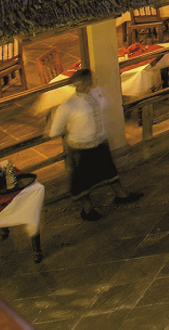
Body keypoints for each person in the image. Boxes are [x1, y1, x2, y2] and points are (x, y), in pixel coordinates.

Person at [46, 69, 141, 221]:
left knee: (109, 170)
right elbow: (55, 131)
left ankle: (121, 194)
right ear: (82, 84)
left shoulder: (95, 94)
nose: (94, 80)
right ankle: (87, 208)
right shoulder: (69, 105)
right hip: (81, 148)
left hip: (99, 142)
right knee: (82, 180)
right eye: (91, 79)